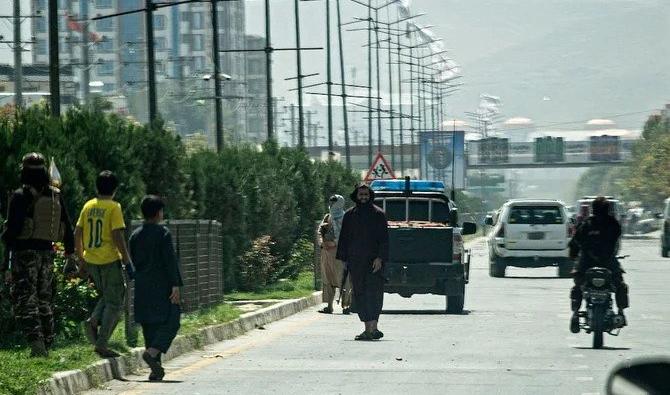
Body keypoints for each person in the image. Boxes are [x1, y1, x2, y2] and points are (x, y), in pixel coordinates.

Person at [0, 153, 75, 357]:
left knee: (26, 300)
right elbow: (67, 226)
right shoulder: (55, 196)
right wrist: (70, 253)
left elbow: (13, 233)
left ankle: (37, 344)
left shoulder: (19, 196)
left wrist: (5, 253)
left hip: (25, 255)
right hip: (47, 254)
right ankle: (47, 341)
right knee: (44, 299)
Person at [75, 171, 132, 358]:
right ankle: (101, 343)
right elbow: (117, 235)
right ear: (115, 189)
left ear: (96, 187)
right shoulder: (114, 207)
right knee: (115, 302)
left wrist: (81, 259)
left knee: (108, 296)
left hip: (91, 260)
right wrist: (126, 259)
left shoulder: (88, 205)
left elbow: (78, 232)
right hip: (109, 260)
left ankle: (93, 321)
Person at [129, 195, 183, 381]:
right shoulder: (163, 233)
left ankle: (155, 369)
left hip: (142, 287)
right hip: (162, 286)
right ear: (159, 213)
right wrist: (175, 284)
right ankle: (151, 354)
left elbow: (132, 261)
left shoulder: (135, 235)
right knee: (172, 319)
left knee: (150, 327)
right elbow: (170, 261)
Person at [568, 197, 629, 334]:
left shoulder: (585, 224)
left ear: (592, 209)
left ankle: (575, 314)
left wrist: (573, 257)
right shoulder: (613, 224)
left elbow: (574, 243)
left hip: (586, 262)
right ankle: (621, 312)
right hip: (608, 261)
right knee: (620, 285)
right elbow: (616, 239)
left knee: (578, 285)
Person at [336, 184, 389, 341]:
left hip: (374, 263)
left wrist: (380, 258)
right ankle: (368, 328)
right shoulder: (349, 216)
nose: (364, 197)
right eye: (361, 194)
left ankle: (374, 327)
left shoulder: (378, 215)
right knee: (360, 294)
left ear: (370, 195)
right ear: (356, 196)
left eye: (366, 194)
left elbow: (384, 240)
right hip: (356, 262)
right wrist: (344, 260)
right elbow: (344, 239)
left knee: (374, 294)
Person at [317, 195, 352, 314]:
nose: (332, 204)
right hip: (327, 254)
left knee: (343, 278)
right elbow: (319, 232)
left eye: (334, 202)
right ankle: (329, 306)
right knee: (328, 279)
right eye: (331, 202)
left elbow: (347, 236)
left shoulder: (346, 218)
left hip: (340, 253)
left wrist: (334, 243)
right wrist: (322, 243)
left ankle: (346, 306)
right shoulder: (328, 217)